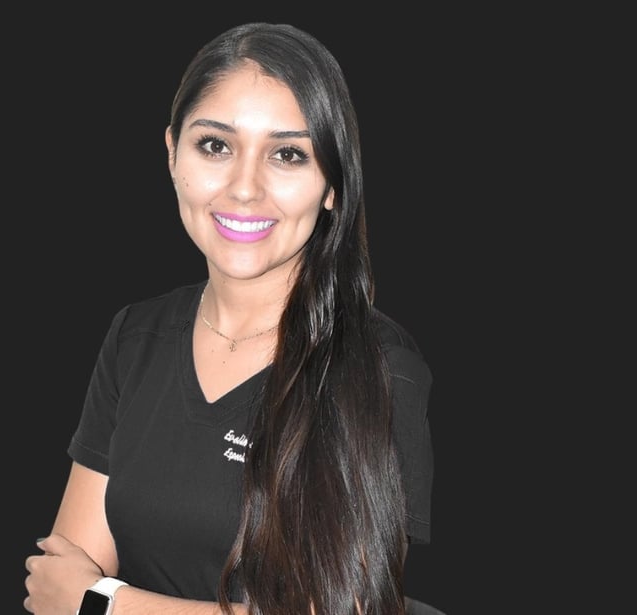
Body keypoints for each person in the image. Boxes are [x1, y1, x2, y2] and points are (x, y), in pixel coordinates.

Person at [24, 22, 435, 615]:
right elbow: (56, 583)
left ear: (333, 188)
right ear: (171, 154)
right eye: (216, 146)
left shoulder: (379, 367)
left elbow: (344, 610)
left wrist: (109, 606)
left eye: (288, 154)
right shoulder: (136, 335)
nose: (245, 188)